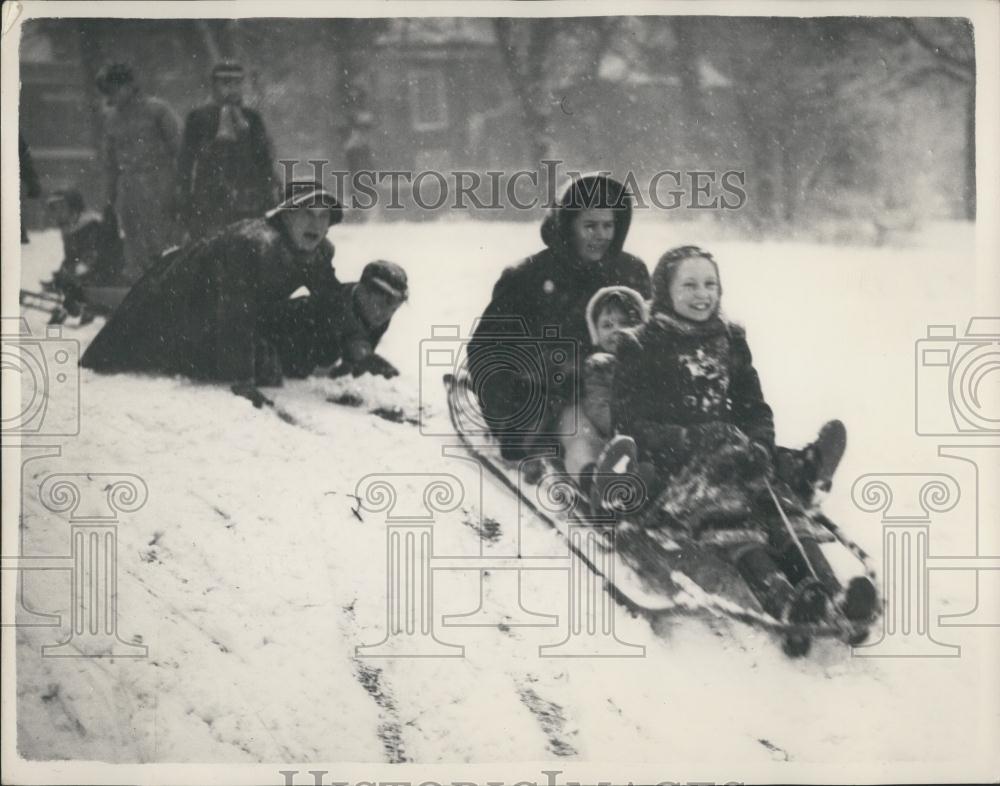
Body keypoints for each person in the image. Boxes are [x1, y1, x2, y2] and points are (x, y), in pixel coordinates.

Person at [612, 245, 875, 628]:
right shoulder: (640, 345)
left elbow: (753, 406)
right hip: (679, 469)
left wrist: (760, 443)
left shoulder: (729, 338)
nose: (702, 294)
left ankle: (833, 595)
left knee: (777, 508)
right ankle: (782, 599)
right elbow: (630, 424)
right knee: (730, 514)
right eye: (689, 285)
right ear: (665, 292)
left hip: (736, 455)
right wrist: (691, 438)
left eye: (710, 284)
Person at [81, 180, 363, 404]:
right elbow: (234, 313)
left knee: (282, 352)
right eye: (306, 214)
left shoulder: (317, 250)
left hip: (218, 313)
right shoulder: (252, 245)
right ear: (287, 217)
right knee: (258, 366)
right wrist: (242, 377)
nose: (316, 224)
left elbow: (331, 302)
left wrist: (356, 347)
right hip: (170, 306)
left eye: (323, 216)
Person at [467, 173, 651, 464]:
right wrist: (505, 419)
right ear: (568, 226)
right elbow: (487, 352)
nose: (601, 236)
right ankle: (595, 476)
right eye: (590, 226)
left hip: (616, 392)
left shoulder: (630, 272)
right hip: (548, 398)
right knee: (577, 432)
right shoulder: (526, 277)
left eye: (608, 225)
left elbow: (651, 337)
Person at [557, 286, 648, 498]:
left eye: (626, 324)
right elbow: (597, 405)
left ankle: (636, 487)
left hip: (641, 436)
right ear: (595, 333)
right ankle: (592, 483)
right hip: (605, 435)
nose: (617, 330)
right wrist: (624, 426)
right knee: (581, 446)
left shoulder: (648, 362)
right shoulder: (598, 365)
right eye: (607, 325)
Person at [96, 63, 182, 283]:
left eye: (116, 88)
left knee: (164, 242)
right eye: (108, 90)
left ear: (130, 85)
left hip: (160, 183)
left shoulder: (157, 110)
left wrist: (182, 186)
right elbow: (110, 163)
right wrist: (109, 199)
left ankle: (169, 287)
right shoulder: (112, 118)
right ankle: (140, 289)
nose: (112, 95)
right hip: (130, 189)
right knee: (134, 244)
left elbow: (180, 148)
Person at [259, 259, 408, 381]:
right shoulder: (336, 304)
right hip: (265, 333)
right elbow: (356, 346)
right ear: (362, 292)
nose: (386, 315)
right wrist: (370, 363)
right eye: (381, 305)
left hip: (300, 356)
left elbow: (355, 361)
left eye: (394, 309)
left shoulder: (375, 314)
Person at [176, 61, 277, 240]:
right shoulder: (198, 118)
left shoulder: (252, 119)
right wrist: (183, 195)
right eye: (226, 83)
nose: (232, 89)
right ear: (214, 85)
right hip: (210, 198)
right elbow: (186, 160)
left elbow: (264, 159)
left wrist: (269, 192)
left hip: (247, 197)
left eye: (237, 83)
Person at [42, 188, 125, 324]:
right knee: (69, 280)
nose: (58, 213)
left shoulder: (90, 226)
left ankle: (88, 308)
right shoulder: (71, 228)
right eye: (55, 208)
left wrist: (74, 272)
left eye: (62, 207)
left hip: (109, 274)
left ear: (73, 208)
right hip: (95, 272)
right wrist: (64, 271)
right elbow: (71, 257)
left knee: (81, 285)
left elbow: (93, 256)